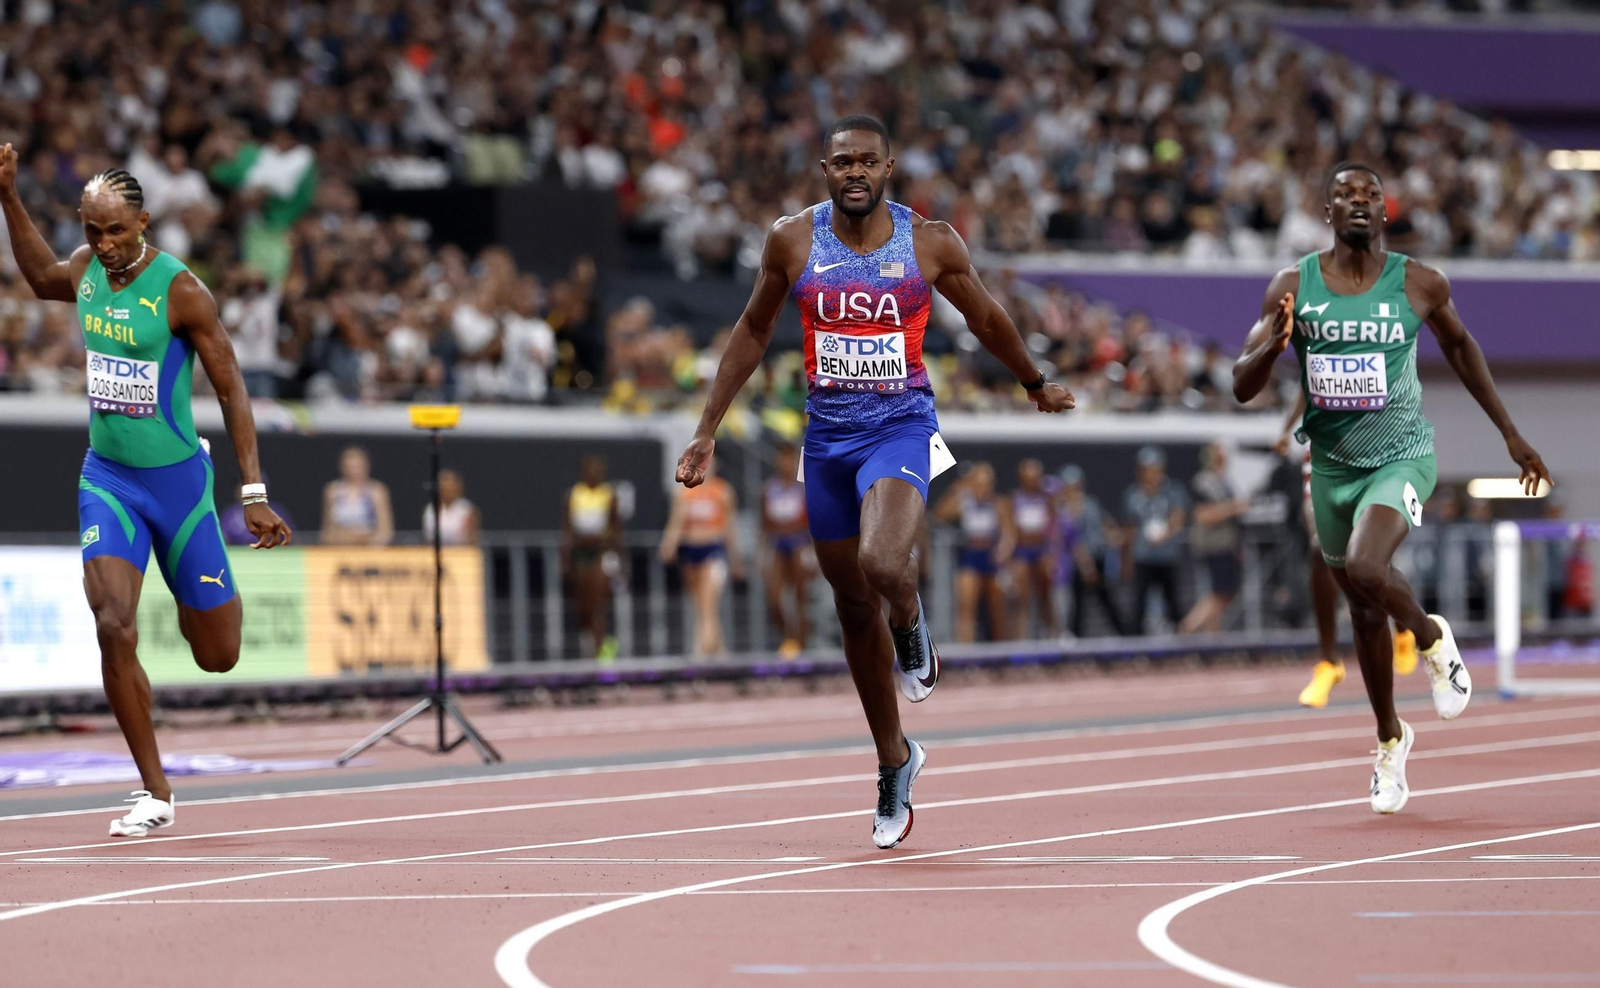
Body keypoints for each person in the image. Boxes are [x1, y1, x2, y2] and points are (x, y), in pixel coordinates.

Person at [671, 116, 1073, 848]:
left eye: (868, 163)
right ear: (826, 169)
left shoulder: (930, 242)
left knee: (882, 562)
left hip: (901, 427)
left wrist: (1034, 382)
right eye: (842, 163)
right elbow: (753, 330)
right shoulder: (793, 240)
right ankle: (895, 758)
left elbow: (984, 316)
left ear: (889, 167)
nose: (855, 173)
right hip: (826, 439)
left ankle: (913, 625)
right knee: (852, 608)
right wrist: (708, 427)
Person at [1233, 161, 1549, 814]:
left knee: (1371, 566)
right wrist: (1274, 347)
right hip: (1332, 467)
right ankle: (1388, 739)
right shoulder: (1293, 285)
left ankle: (1432, 640)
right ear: (1328, 213)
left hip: (1402, 457)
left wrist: (1510, 434)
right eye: (1344, 194)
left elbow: (1463, 350)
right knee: (1364, 607)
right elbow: (1242, 382)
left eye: (1369, 195)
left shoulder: (1420, 283)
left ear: (1385, 211)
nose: (1357, 202)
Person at [0, 149, 293, 837]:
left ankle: (201, 590)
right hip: (108, 479)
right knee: (112, 625)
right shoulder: (84, 272)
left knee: (217, 655)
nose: (102, 245)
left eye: (115, 233)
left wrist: (252, 489)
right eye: (92, 230)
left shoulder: (182, 289)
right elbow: (43, 274)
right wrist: (9, 194)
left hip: (181, 488)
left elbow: (231, 386)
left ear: (143, 223)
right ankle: (153, 790)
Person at [660, 458, 742, 659]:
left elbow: (729, 528)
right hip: (690, 551)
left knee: (708, 602)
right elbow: (676, 521)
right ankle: (720, 652)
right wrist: (669, 544)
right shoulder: (685, 492)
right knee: (701, 606)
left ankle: (700, 652)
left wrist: (736, 559)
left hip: (713, 550)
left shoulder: (724, 492)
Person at [933, 462, 1013, 643]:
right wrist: (957, 490)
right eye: (979, 483)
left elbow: (1009, 533)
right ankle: (966, 652)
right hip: (970, 557)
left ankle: (999, 649)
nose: (983, 487)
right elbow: (940, 514)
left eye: (987, 483)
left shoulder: (999, 503)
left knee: (996, 609)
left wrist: (1003, 551)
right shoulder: (964, 502)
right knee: (966, 605)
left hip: (992, 558)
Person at [1180, 442, 1247, 634]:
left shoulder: (1222, 480)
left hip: (1226, 543)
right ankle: (1187, 628)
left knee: (1223, 593)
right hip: (1214, 544)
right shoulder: (1204, 482)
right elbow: (1204, 515)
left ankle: (1213, 640)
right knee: (1220, 593)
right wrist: (1234, 507)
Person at [1121, 446, 1189, 635]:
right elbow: (1130, 529)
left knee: (1173, 601)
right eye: (1146, 469)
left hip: (1167, 556)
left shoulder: (1173, 491)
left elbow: (1178, 518)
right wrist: (1126, 559)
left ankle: (1180, 643)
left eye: (1154, 468)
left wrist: (1164, 534)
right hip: (1143, 557)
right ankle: (1135, 647)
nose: (1150, 473)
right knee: (1138, 603)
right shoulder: (1132, 495)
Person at [1057, 464, 1128, 637]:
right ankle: (1074, 639)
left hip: (1099, 558)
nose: (1074, 490)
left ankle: (1125, 636)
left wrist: (1115, 537)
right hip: (1078, 564)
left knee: (1107, 599)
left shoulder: (1091, 503)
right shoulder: (1064, 511)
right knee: (1076, 604)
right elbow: (1075, 542)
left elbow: (1105, 525)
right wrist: (1086, 566)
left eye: (1076, 485)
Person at [564, 456, 621, 661]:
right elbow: (568, 530)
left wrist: (621, 563)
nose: (593, 475)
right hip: (581, 555)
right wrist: (566, 560)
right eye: (590, 470)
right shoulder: (574, 494)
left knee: (598, 603)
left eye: (598, 471)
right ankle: (593, 644)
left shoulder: (609, 495)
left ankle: (603, 648)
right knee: (583, 606)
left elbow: (616, 530)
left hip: (602, 554)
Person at [762, 443, 811, 658]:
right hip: (777, 545)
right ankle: (788, 636)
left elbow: (809, 521)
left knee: (800, 597)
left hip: (800, 544)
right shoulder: (769, 489)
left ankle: (801, 642)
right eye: (782, 459)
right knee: (774, 597)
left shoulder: (803, 488)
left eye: (790, 459)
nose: (785, 464)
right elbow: (764, 523)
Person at [1009, 459, 1058, 637]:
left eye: (1035, 477)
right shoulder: (1015, 499)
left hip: (1041, 550)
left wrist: (1052, 554)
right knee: (1021, 599)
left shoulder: (1046, 500)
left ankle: (1052, 636)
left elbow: (1053, 529)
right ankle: (1020, 641)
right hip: (1022, 551)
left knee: (1046, 596)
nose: (1032, 481)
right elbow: (1011, 529)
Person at [320, 446, 393, 546]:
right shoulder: (333, 491)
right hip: (340, 548)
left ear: (366, 466)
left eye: (358, 466)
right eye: (350, 467)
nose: (354, 471)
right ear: (342, 467)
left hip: (369, 548)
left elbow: (385, 531)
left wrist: (363, 540)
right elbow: (327, 531)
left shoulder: (376, 491)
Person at [421, 469, 480, 546]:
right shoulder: (430, 510)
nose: (446, 490)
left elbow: (472, 540)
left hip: (460, 554)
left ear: (457, 487)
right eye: (443, 487)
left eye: (449, 486)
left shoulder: (467, 510)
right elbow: (426, 539)